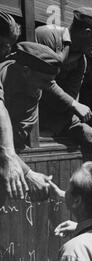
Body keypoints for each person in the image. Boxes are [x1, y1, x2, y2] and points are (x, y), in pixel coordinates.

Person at [36, 7, 92, 156]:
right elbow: (40, 79)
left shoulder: (81, 62)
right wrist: (73, 104)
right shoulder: (48, 36)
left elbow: (66, 111)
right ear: (86, 33)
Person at [0, 42, 62, 201]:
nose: (49, 86)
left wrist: (27, 173)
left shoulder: (34, 92)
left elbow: (17, 140)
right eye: (45, 81)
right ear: (26, 71)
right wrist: (28, 173)